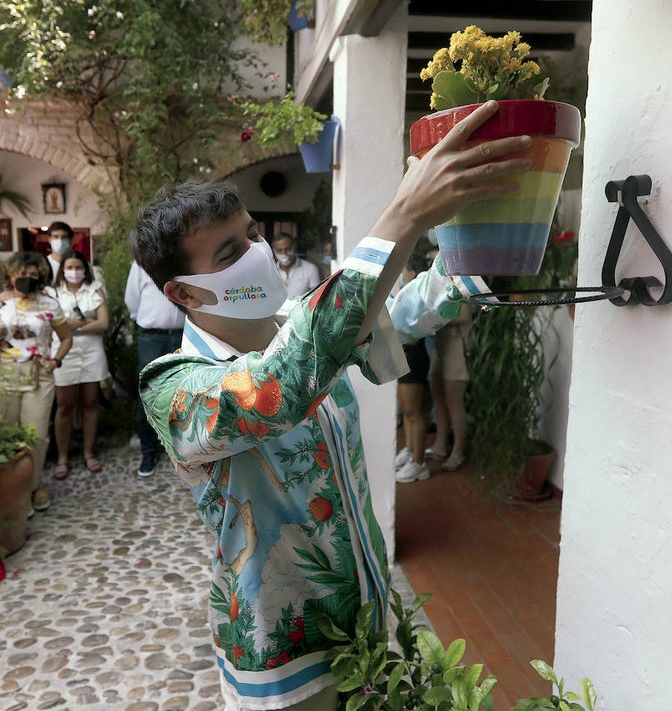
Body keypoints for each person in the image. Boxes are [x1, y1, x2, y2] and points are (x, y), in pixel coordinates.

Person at [131, 101, 531, 710]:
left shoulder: (299, 320)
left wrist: (484, 246)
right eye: (229, 252)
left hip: (365, 615)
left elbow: (397, 309)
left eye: (253, 234)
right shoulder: (175, 389)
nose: (257, 252)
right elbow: (278, 384)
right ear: (183, 292)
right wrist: (405, 213)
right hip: (285, 653)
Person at [0, 252, 72, 510]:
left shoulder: (49, 303)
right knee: (2, 433)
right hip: (2, 374)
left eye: (33, 274)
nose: (27, 278)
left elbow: (67, 338)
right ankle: (7, 488)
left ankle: (32, 487)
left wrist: (55, 361)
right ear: (10, 275)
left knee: (36, 435)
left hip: (38, 375)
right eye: (22, 273)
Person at [47, 249, 109, 478]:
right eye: (70, 268)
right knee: (64, 406)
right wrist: (87, 322)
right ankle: (62, 457)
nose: (74, 272)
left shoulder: (95, 289)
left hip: (92, 352)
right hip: (64, 353)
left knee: (90, 403)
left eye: (79, 267)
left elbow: (103, 324)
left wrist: (73, 325)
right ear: (62, 270)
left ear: (86, 269)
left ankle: (88, 453)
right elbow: (53, 326)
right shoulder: (52, 293)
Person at [124, 259, 183, 477]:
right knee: (149, 394)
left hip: (184, 334)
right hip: (152, 337)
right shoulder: (142, 262)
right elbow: (132, 299)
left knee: (184, 393)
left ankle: (184, 450)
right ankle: (149, 451)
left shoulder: (185, 254)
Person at [393, 254, 434, 483]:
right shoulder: (407, 294)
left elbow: (414, 337)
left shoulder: (418, 297)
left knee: (415, 413)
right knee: (408, 412)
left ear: (412, 273)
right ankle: (410, 451)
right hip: (405, 356)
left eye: (402, 271)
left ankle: (419, 463)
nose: (400, 275)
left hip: (414, 357)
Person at [425, 303, 473, 472]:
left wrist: (434, 316)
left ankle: (458, 452)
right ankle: (440, 446)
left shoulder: (463, 286)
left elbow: (465, 315)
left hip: (457, 342)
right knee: (437, 395)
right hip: (441, 342)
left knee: (453, 401)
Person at [271, 232, 321, 296]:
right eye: (279, 250)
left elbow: (317, 296)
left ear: (294, 247)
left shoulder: (310, 269)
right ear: (274, 251)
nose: (284, 253)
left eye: (287, 249)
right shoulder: (271, 272)